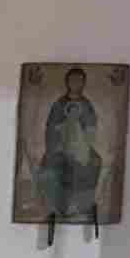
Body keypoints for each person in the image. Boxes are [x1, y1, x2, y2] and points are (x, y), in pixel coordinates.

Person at [37, 63, 105, 226]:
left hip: (80, 146)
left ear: (84, 83)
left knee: (95, 161)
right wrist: (59, 138)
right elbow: (51, 127)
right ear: (67, 82)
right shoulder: (59, 104)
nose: (76, 83)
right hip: (59, 146)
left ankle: (81, 205)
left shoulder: (87, 104)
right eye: (73, 80)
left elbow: (91, 127)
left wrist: (83, 139)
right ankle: (57, 206)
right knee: (52, 163)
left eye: (79, 80)